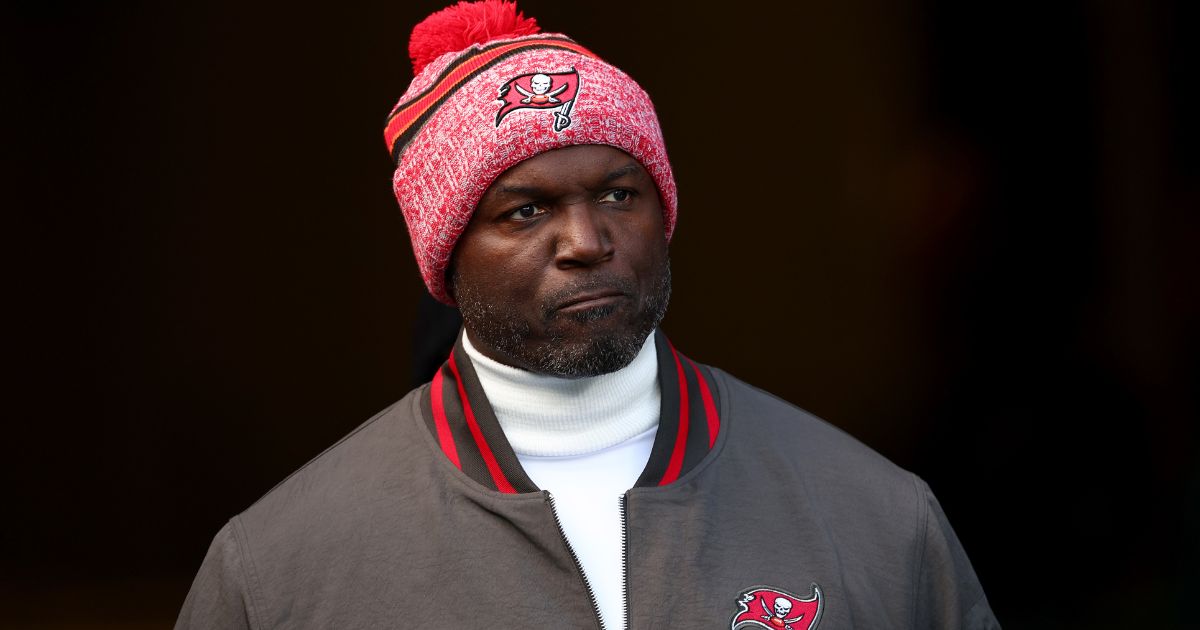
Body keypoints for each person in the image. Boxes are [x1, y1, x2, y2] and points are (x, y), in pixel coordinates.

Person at [176, 2, 999, 628]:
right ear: (445, 253)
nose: (587, 241)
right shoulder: (279, 569)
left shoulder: (875, 518)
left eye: (617, 193)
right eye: (526, 211)